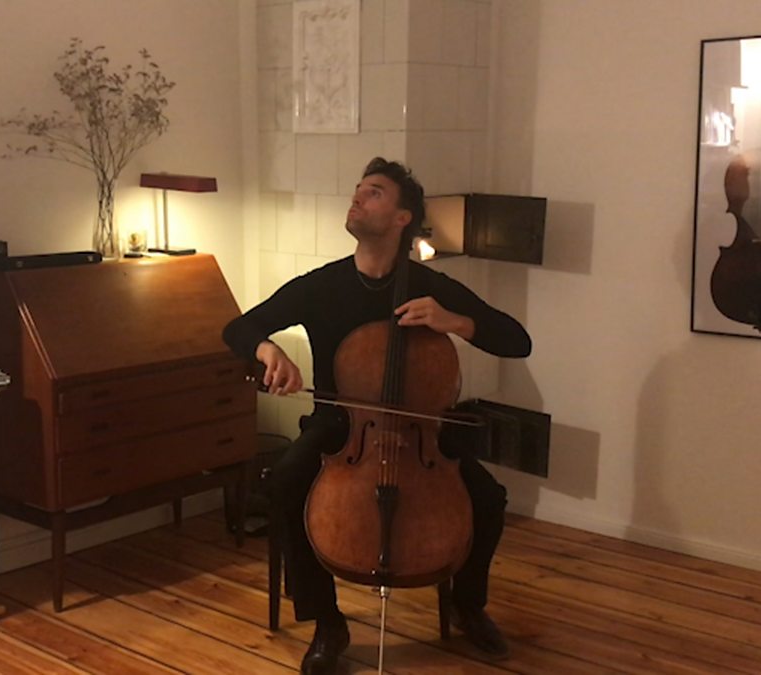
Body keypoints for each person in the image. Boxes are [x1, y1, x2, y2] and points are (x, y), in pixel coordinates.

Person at [222, 157, 531, 674]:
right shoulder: (322, 286)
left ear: (402, 218)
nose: (358, 198)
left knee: (488, 500)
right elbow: (239, 328)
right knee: (287, 482)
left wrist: (454, 320)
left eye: (374, 193)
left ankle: (468, 605)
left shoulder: (431, 287)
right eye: (358, 190)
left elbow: (517, 341)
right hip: (341, 429)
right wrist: (267, 350)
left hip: (420, 431)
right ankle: (326, 621)